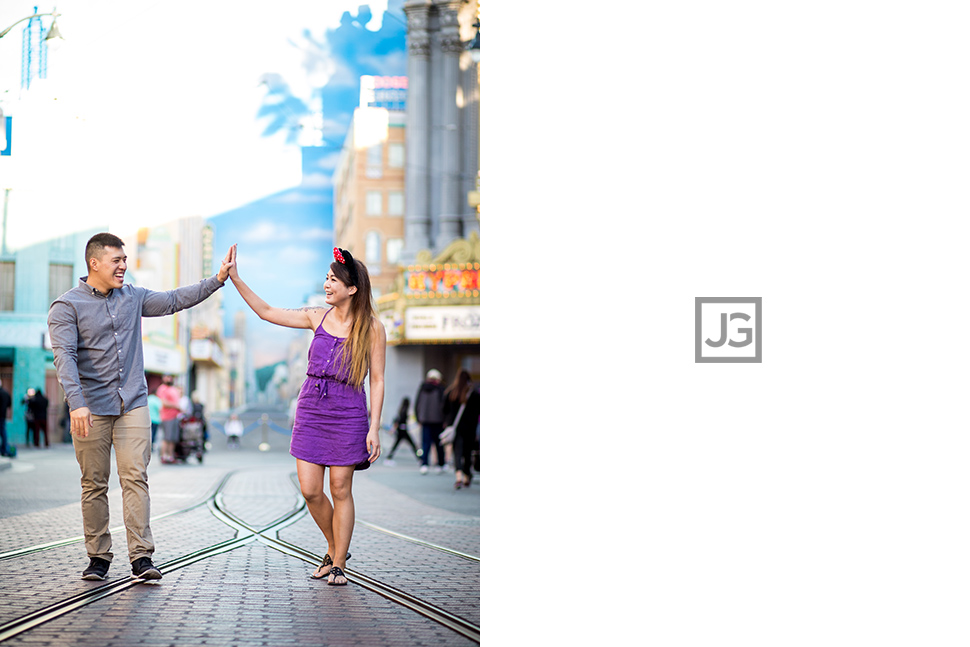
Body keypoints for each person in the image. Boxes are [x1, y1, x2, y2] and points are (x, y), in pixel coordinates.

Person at [47, 232, 234, 582]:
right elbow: (65, 357)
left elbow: (174, 300)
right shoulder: (66, 306)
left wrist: (217, 280)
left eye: (125, 259)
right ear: (94, 263)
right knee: (94, 483)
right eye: (116, 260)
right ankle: (98, 557)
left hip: (132, 402)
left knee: (135, 477)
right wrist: (76, 403)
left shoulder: (132, 297)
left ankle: (141, 558)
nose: (123, 266)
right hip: (90, 407)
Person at [228, 244, 385, 586]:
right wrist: (236, 279)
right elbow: (267, 311)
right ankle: (333, 547)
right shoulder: (317, 316)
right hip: (312, 406)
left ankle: (339, 562)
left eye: (333, 280)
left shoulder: (372, 328)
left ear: (352, 289)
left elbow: (378, 380)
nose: (327, 285)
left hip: (348, 409)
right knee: (311, 490)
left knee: (340, 487)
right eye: (326, 278)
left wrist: (374, 427)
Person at [442, 370, 480, 489]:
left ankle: (458, 477)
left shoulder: (451, 392)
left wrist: (448, 422)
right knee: (467, 452)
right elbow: (478, 411)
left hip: (455, 428)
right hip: (469, 428)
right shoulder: (473, 394)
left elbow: (444, 410)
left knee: (457, 452)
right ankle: (466, 476)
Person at [415, 369, 446, 474]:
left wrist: (418, 418)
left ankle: (424, 464)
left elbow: (417, 404)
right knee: (439, 444)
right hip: (438, 420)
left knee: (425, 444)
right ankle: (440, 465)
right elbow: (444, 406)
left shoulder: (422, 388)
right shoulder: (440, 389)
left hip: (425, 420)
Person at [385, 397, 419, 465]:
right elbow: (400, 421)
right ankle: (420, 458)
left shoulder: (401, 410)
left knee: (397, 445)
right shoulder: (405, 411)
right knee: (412, 444)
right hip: (403, 430)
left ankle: (389, 457)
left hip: (401, 430)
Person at [156, 375, 182, 464]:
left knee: (172, 438)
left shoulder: (173, 389)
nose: (169, 379)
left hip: (175, 416)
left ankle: (171, 456)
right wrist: (176, 406)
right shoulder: (162, 389)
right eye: (167, 377)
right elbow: (164, 402)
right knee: (166, 437)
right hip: (167, 417)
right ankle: (164, 456)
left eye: (170, 377)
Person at [0, 379, 11, 458]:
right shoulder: (6, 393)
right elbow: (9, 404)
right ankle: (4, 449)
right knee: (3, 432)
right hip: (3, 415)